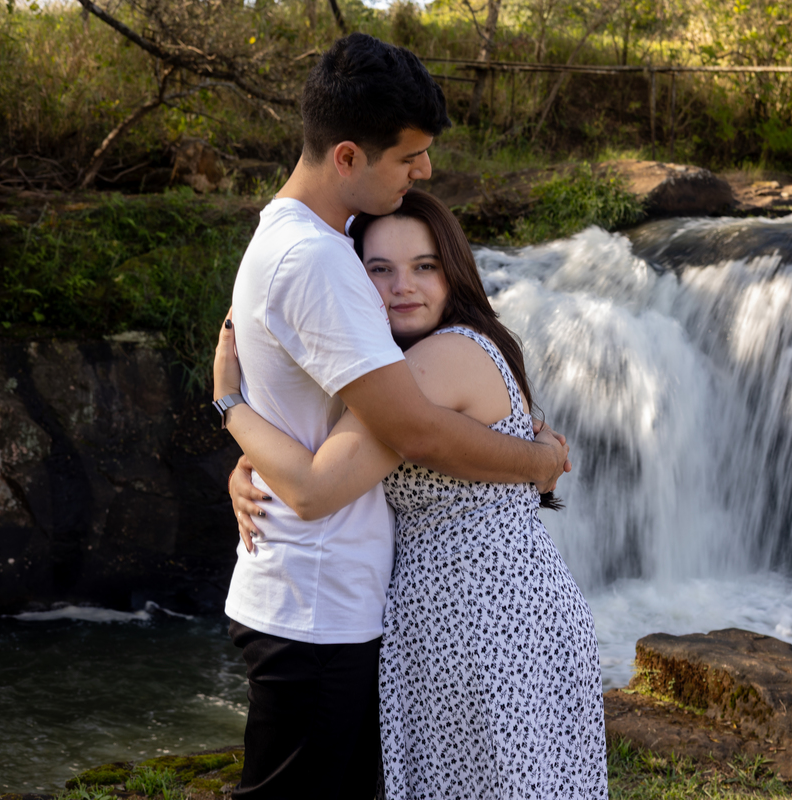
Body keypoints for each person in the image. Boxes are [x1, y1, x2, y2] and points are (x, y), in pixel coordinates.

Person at [218, 33, 570, 800]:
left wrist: (244, 445)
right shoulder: (321, 263)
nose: (426, 172)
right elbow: (408, 432)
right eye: (410, 157)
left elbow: (300, 398)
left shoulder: (295, 239)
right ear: (347, 156)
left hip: (340, 600)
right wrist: (540, 462)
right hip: (316, 606)